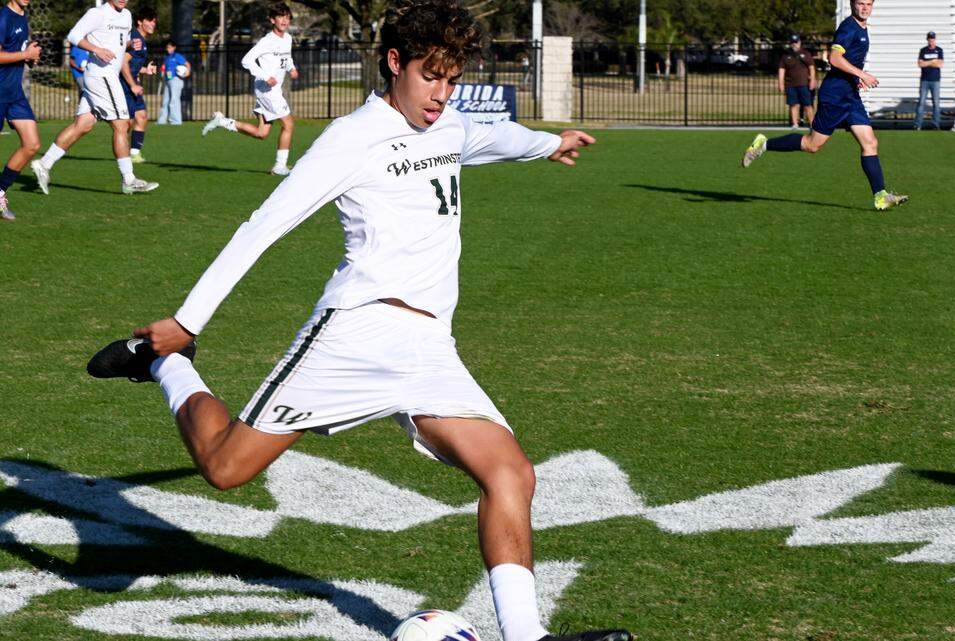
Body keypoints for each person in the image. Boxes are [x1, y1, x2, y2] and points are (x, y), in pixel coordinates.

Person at [86, 2, 629, 640]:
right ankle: (166, 366)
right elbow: (263, 229)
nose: (441, 94)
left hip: (430, 348)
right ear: (394, 62)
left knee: (510, 472)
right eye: (431, 76)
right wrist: (187, 322)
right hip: (355, 332)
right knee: (226, 469)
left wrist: (551, 143)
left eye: (452, 80)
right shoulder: (350, 138)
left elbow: (498, 137)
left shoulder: (447, 124)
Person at [740, 0, 908, 211]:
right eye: (861, 4)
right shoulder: (849, 27)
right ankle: (763, 144)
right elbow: (834, 58)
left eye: (869, 4)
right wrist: (861, 74)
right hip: (835, 97)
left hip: (850, 96)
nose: (865, 8)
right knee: (812, 145)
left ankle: (880, 196)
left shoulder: (862, 28)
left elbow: (847, 61)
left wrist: (855, 80)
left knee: (870, 143)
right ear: (852, 4)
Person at [29, 0, 159, 195]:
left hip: (107, 76)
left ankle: (44, 164)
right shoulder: (97, 13)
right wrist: (96, 49)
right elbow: (73, 36)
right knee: (122, 124)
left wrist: (131, 43)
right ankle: (129, 179)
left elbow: (118, 43)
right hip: (100, 75)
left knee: (83, 125)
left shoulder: (126, 15)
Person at [200, 1, 298, 175]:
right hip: (267, 91)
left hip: (273, 91)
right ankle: (279, 166)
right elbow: (246, 60)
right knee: (289, 124)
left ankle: (223, 121)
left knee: (261, 133)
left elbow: (286, 57)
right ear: (272, 20)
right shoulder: (267, 41)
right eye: (280, 17)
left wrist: (292, 68)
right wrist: (266, 76)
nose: (284, 20)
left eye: (287, 17)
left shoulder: (288, 38)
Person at [0, 0, 41, 221]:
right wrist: (25, 55)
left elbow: (20, 52)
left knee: (32, 144)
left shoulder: (23, 16)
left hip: (14, 94)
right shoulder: (3, 17)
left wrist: (31, 57)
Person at [121, 7, 157, 163]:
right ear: (140, 22)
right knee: (125, 124)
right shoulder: (136, 39)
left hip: (132, 82)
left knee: (141, 117)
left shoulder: (142, 41)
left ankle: (134, 154)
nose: (153, 24)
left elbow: (132, 65)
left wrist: (145, 70)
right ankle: (123, 155)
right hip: (124, 84)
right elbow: (122, 62)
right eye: (150, 20)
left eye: (155, 21)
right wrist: (132, 84)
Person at [778, 34, 815, 129]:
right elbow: (782, 70)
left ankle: (812, 124)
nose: (794, 44)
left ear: (799, 42)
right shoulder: (785, 56)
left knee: (808, 105)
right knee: (793, 104)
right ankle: (795, 124)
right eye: (792, 43)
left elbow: (811, 68)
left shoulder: (806, 54)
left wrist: (813, 80)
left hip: (804, 84)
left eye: (796, 42)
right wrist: (780, 83)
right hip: (790, 84)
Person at [914, 31, 943, 130]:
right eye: (930, 38)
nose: (931, 40)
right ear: (927, 39)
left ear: (935, 39)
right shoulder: (923, 50)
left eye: (933, 38)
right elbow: (920, 64)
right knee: (921, 102)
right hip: (924, 80)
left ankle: (936, 124)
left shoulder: (939, 50)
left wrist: (927, 63)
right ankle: (918, 124)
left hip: (935, 80)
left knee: (936, 103)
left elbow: (940, 64)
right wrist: (932, 61)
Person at [158, 39, 189, 125]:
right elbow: (165, 68)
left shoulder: (177, 56)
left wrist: (187, 72)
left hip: (176, 80)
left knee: (174, 100)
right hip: (168, 80)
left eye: (170, 47)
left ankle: (176, 121)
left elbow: (187, 64)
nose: (168, 49)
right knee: (165, 101)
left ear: (174, 47)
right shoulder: (167, 57)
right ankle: (162, 121)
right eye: (167, 47)